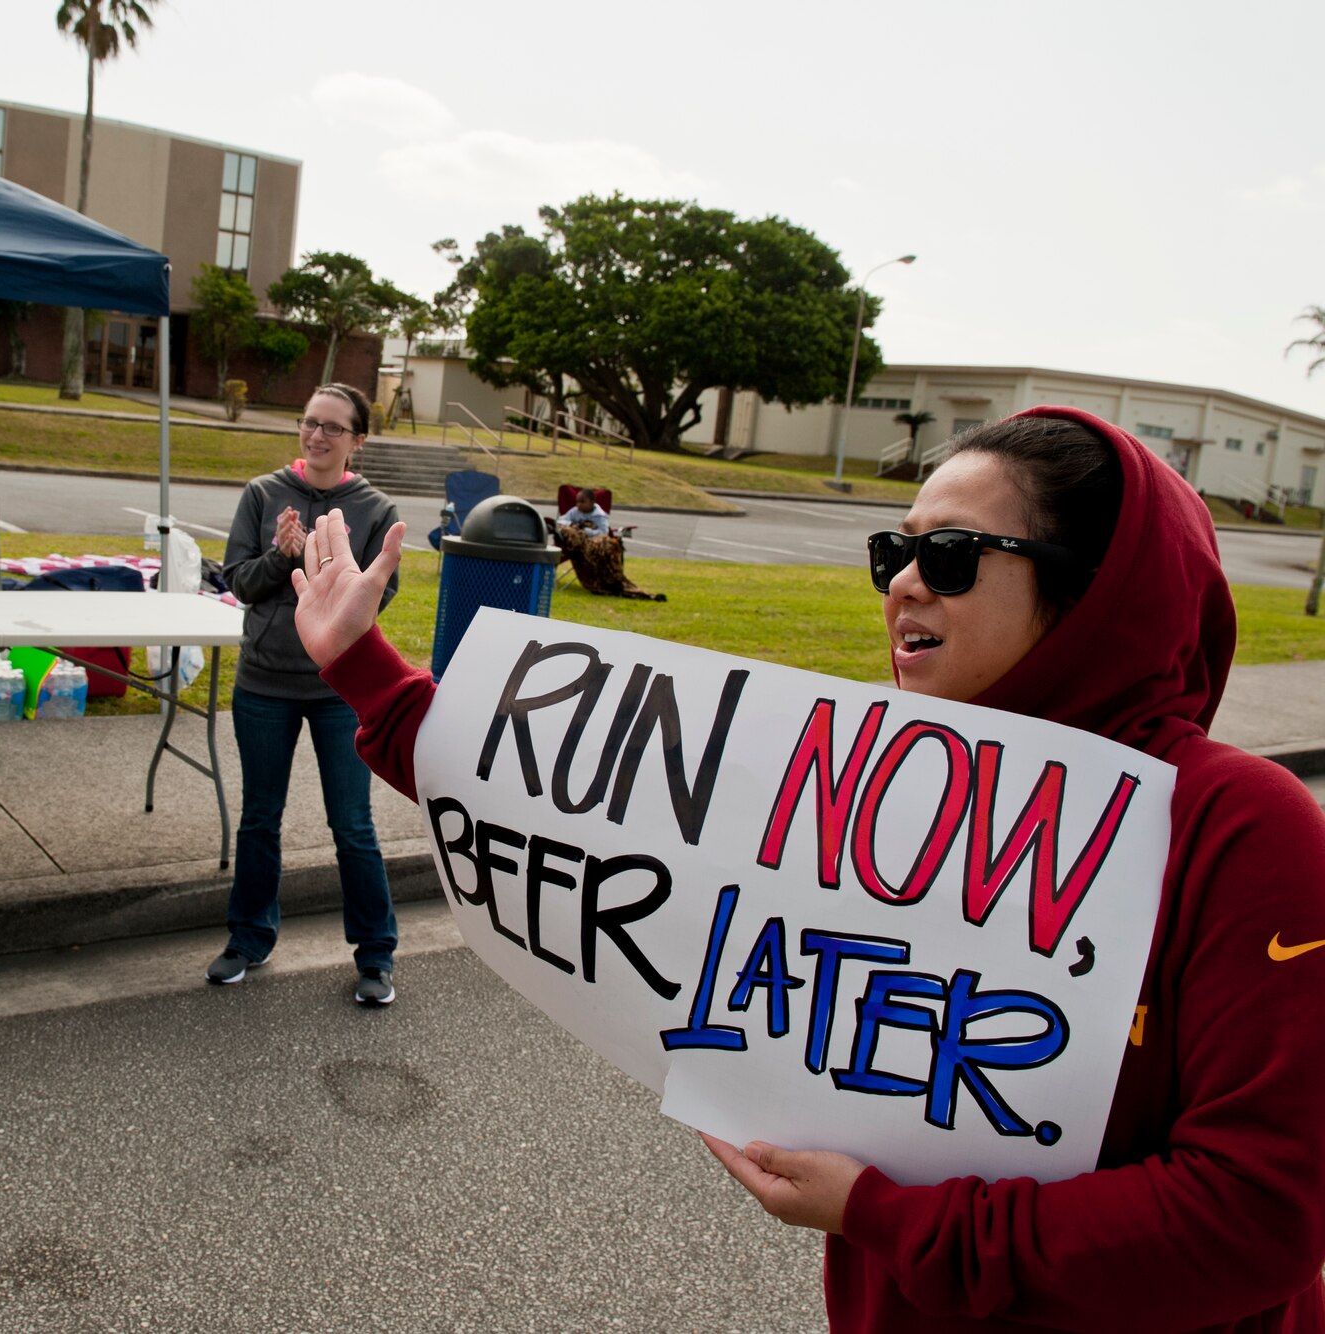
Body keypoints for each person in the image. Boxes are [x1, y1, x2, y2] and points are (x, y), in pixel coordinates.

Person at [288, 407, 1325, 1331]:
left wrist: (879, 1212)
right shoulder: (865, 772)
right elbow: (567, 795)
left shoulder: (1238, 830)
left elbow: (1256, 1214)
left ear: (1094, 590)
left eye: (952, 553)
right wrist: (358, 662)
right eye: (894, 551)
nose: (906, 582)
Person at [206, 383, 403, 1005]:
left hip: (338, 688)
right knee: (260, 818)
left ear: (358, 440)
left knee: (353, 824)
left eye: (334, 428)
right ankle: (248, 937)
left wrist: (326, 579)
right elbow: (237, 581)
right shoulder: (263, 494)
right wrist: (278, 556)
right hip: (264, 683)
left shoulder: (373, 507)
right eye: (310, 422)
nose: (317, 436)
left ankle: (375, 953)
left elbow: (379, 594)